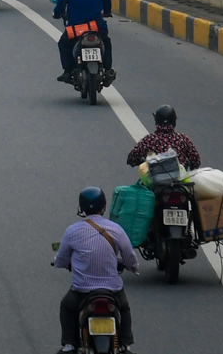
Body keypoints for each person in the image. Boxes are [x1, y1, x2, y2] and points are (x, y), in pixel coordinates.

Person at [52, 187, 138, 352]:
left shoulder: (73, 231)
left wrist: (60, 263)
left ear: (81, 207)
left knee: (66, 306)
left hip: (82, 291)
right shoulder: (116, 229)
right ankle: (125, 345)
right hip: (112, 291)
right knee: (124, 308)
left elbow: (62, 259)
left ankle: (70, 345)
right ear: (103, 206)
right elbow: (130, 257)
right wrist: (133, 267)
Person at [51, 0, 114, 82]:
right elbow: (108, 4)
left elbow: (59, 8)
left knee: (63, 43)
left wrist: (56, 14)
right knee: (106, 42)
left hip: (76, 31)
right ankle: (108, 69)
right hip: (97, 28)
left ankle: (68, 71)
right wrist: (106, 13)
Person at [126, 105, 201, 171]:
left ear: (156, 121)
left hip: (154, 184)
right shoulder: (183, 139)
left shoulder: (149, 140)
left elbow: (131, 158)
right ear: (174, 122)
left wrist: (141, 162)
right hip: (180, 182)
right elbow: (196, 161)